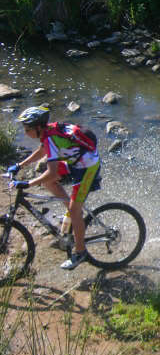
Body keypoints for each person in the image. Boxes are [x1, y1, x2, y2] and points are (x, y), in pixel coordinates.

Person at [7, 106, 101, 270]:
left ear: (38, 127)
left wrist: (27, 184)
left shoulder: (50, 136)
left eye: (27, 129)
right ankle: (74, 215)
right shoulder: (48, 132)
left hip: (88, 167)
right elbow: (42, 150)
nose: (25, 133)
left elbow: (52, 172)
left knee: (69, 204)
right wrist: (19, 165)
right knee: (47, 183)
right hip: (76, 161)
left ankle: (80, 253)